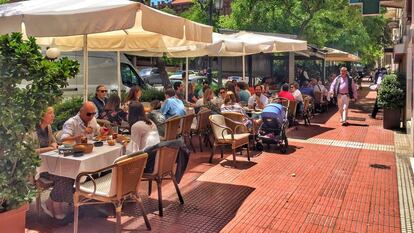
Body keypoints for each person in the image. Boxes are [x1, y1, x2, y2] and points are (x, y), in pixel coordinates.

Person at [34, 107, 72, 220]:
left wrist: (54, 146)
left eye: (53, 112)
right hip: (38, 168)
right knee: (64, 176)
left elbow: (54, 143)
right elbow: (30, 152)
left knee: (70, 173)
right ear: (41, 115)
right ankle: (56, 206)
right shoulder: (32, 131)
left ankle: (51, 201)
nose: (53, 115)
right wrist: (49, 148)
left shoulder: (48, 128)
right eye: (50, 113)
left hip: (50, 164)